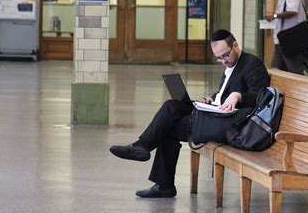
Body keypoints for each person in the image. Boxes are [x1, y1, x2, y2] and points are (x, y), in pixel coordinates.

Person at [109, 29, 270, 198]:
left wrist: (239, 96)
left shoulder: (252, 64)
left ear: (235, 45)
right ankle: (144, 151)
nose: (223, 61)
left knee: (168, 125)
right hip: (216, 114)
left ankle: (153, 165)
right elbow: (223, 93)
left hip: (231, 124)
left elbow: (261, 97)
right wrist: (212, 99)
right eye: (218, 58)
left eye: (225, 55)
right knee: (172, 106)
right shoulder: (231, 64)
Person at [265, 0, 307, 75]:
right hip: (282, 38)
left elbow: (292, 11)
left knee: (294, 69)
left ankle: (300, 87)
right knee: (277, 69)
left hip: (289, 38)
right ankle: (274, 89)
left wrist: (274, 16)